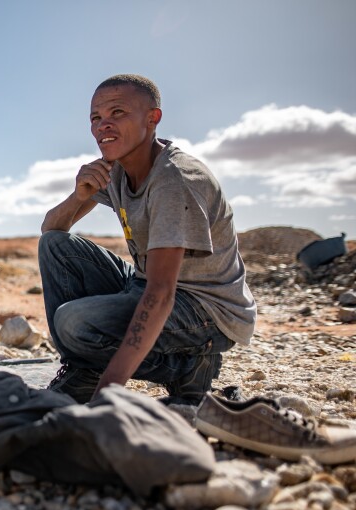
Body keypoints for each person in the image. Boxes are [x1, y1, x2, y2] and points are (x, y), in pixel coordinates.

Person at [40, 74, 256, 406]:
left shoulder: (175, 180)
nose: (103, 126)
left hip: (206, 309)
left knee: (73, 322)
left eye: (117, 113)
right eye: (96, 118)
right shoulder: (116, 169)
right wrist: (77, 195)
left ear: (152, 119)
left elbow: (161, 292)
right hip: (151, 285)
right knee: (55, 246)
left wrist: (106, 397)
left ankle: (186, 368)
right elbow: (51, 228)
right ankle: (84, 370)